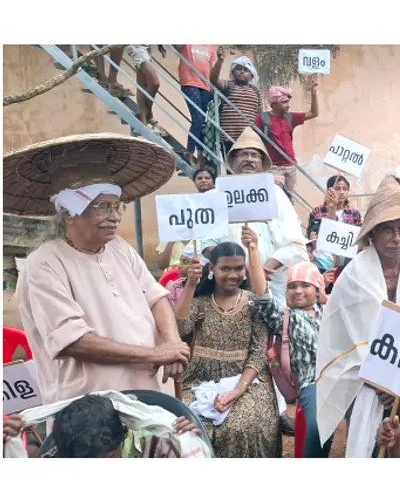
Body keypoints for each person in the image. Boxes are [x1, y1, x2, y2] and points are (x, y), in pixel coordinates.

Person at [9, 134, 187, 405]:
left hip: (150, 395)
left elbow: (156, 298)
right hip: (92, 407)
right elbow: (73, 341)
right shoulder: (43, 264)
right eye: (103, 207)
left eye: (117, 206)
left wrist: (172, 345)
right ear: (69, 214)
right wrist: (155, 355)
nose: (114, 216)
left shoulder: (119, 247)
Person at [316, 176, 400, 458]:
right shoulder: (353, 277)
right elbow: (350, 340)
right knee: (369, 444)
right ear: (372, 234)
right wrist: (381, 383)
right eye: (387, 229)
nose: (397, 238)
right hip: (362, 382)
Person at [175, 233, 282, 458]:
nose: (233, 275)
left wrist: (237, 391)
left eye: (239, 268)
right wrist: (191, 285)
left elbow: (257, 353)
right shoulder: (200, 302)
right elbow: (180, 329)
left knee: (241, 427)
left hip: (249, 381)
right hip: (199, 379)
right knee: (190, 425)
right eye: (225, 268)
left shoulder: (253, 303)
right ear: (212, 268)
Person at [201, 128, 310, 310]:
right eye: (244, 154)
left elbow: (295, 243)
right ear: (233, 161)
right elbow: (206, 245)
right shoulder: (217, 195)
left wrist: (261, 270)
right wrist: (240, 268)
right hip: (229, 286)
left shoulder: (276, 194)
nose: (249, 159)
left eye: (255, 155)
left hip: (273, 282)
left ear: (262, 163)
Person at [250, 259, 329, 458]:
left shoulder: (331, 312)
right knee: (317, 427)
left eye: (305, 285)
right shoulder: (285, 318)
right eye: (292, 286)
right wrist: (253, 252)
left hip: (343, 379)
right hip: (312, 382)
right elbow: (263, 298)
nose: (298, 291)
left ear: (318, 290)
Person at [2, 395, 200, 458]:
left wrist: (187, 441)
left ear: (124, 434)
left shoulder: (159, 448)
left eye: (110, 459)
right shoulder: (57, 456)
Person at [253, 82, 320, 195]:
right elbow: (253, 138)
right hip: (272, 167)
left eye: (288, 102)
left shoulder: (290, 117)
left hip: (290, 166)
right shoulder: (262, 119)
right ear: (273, 104)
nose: (288, 105)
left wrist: (313, 94)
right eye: (284, 102)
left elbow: (314, 113)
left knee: (289, 199)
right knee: (275, 197)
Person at [307, 175, 363, 274]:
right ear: (330, 190)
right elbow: (312, 234)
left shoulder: (354, 213)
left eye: (345, 189)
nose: (342, 192)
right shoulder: (318, 211)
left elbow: (359, 237)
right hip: (320, 261)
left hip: (344, 263)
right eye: (338, 188)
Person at [177, 45, 221, 168]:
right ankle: (189, 153)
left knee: (202, 123)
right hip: (190, 82)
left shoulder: (210, 46)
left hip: (205, 85)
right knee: (198, 119)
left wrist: (212, 86)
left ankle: (201, 157)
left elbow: (210, 68)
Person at [214, 56, 262, 154]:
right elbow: (213, 80)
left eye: (246, 70)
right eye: (239, 69)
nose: (242, 72)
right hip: (228, 138)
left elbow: (260, 115)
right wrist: (219, 61)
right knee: (230, 163)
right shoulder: (228, 85)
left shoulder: (255, 91)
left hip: (249, 139)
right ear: (233, 72)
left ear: (252, 75)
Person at [125, 45, 166, 137]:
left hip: (146, 45)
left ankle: (143, 118)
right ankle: (148, 114)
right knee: (155, 83)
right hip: (136, 45)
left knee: (142, 83)